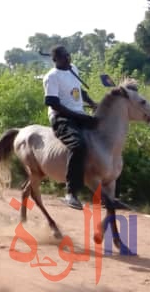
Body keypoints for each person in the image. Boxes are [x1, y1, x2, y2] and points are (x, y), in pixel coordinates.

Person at [43, 45, 98, 210]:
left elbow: (78, 90)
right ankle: (70, 193)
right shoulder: (51, 77)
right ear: (55, 60)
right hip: (61, 118)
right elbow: (53, 103)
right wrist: (79, 116)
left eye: (69, 55)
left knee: (105, 138)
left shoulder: (73, 68)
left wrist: (92, 103)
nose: (68, 59)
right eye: (64, 57)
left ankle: (107, 193)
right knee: (77, 146)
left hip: (78, 114)